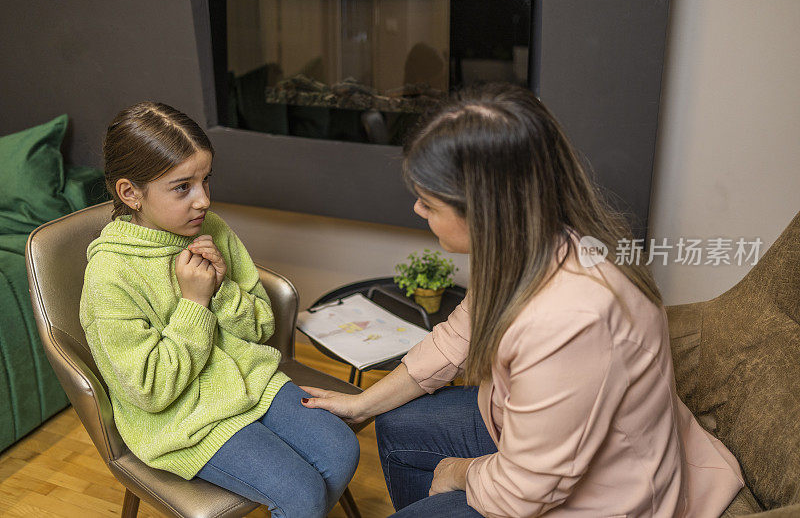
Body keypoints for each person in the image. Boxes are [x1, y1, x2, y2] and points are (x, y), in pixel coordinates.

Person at [300, 84, 745, 517]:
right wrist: (362, 403)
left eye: (429, 202)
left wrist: (453, 473)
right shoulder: (528, 245)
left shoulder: (573, 320)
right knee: (396, 422)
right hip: (529, 437)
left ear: (487, 210)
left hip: (599, 498)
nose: (418, 210)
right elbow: (457, 338)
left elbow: (523, 493)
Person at [78, 102, 359, 518]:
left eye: (206, 180)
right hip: (183, 419)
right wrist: (195, 303)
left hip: (249, 381)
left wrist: (223, 289)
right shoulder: (110, 276)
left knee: (342, 449)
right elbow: (151, 391)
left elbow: (261, 328)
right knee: (299, 491)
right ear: (130, 193)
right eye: (182, 187)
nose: (203, 200)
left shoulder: (212, 230)